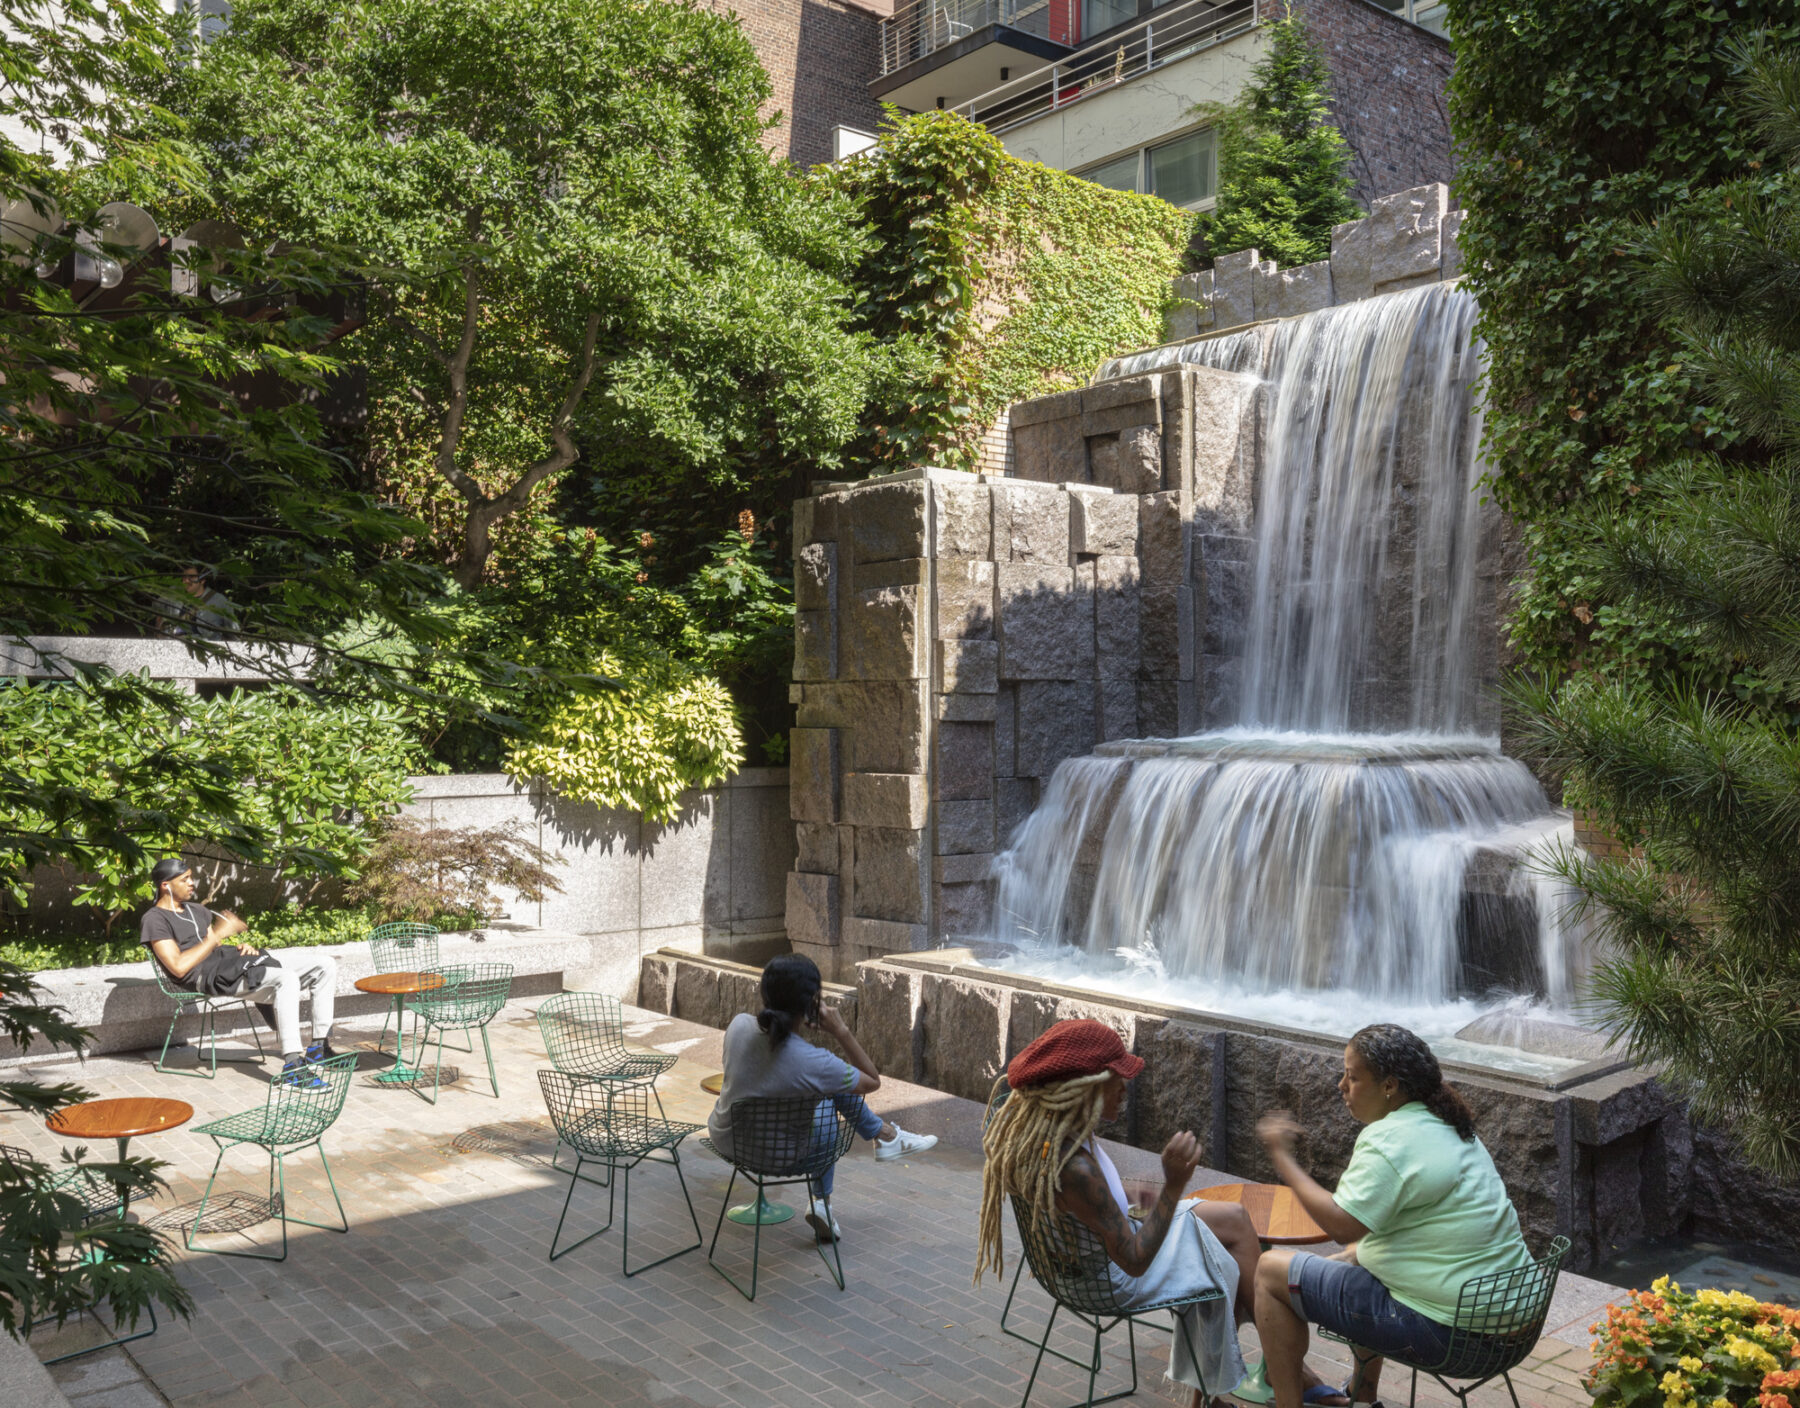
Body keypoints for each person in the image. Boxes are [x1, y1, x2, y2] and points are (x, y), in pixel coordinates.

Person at [976, 1019, 1259, 1408]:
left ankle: (1217, 1396)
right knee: (1227, 1252)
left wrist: (1149, 1194)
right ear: (1086, 1085)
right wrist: (1174, 1186)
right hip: (1113, 1278)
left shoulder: (1054, 1133)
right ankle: (1271, 1371)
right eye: (1116, 1077)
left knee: (1234, 1222)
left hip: (1091, 1259)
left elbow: (1098, 1203)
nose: (1125, 1089)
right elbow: (1134, 1261)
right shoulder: (1073, 1168)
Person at [1252, 1023, 1534, 1408]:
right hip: (1511, 1326)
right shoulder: (1450, 1123)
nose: (1341, 1086)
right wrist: (1353, 1254)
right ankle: (1363, 1395)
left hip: (1451, 1335)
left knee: (1270, 1270)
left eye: (1352, 1077)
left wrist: (1283, 1158)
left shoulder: (1389, 1139)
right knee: (1356, 1255)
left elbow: (1339, 1223)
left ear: (1389, 1085)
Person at [706, 953, 938, 1244]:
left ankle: (885, 1138)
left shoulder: (738, 1026)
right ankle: (830, 1193)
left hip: (727, 1140)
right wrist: (841, 1031)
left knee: (825, 1085)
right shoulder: (816, 1062)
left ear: (763, 992)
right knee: (831, 1093)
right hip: (779, 1156)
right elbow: (872, 1081)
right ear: (813, 1003)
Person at [142, 856, 341, 1088]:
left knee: (324, 965)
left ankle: (319, 1048)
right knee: (286, 980)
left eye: (191, 878)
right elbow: (177, 966)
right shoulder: (154, 919)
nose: (192, 883)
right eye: (185, 879)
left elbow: (212, 948)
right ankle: (293, 1066)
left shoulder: (197, 910)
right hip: (205, 977)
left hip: (227, 964)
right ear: (165, 885)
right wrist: (218, 934)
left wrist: (238, 949)